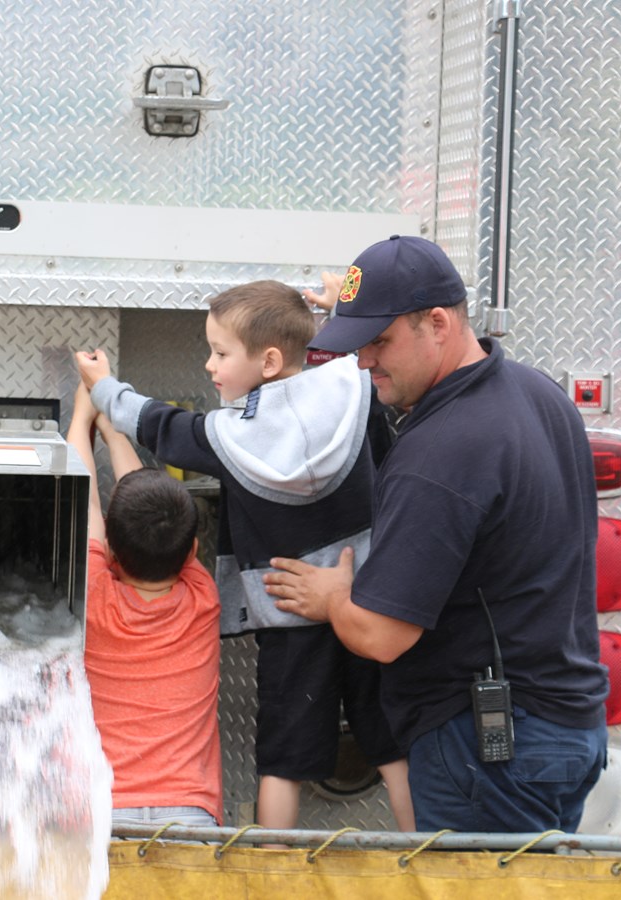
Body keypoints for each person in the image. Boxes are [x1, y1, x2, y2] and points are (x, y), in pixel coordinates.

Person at [263, 235, 609, 833]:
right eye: (358, 343)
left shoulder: (441, 450)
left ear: (439, 323)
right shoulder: (539, 395)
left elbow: (381, 636)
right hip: (566, 730)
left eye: (380, 341)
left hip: (489, 749)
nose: (364, 361)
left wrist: (334, 597)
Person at [77, 280, 415, 837]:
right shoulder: (354, 387)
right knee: (393, 746)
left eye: (220, 352)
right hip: (365, 598)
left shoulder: (229, 436)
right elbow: (342, 360)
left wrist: (105, 389)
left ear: (269, 361)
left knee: (283, 761)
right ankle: (424, 858)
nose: (209, 364)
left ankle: (272, 869)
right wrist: (340, 310)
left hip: (285, 612)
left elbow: (163, 426)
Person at [65, 381, 223, 830]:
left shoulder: (95, 597)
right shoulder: (202, 598)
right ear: (192, 551)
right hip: (189, 812)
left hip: (103, 814)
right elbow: (149, 503)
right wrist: (114, 428)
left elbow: (83, 502)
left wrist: (83, 413)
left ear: (110, 551)